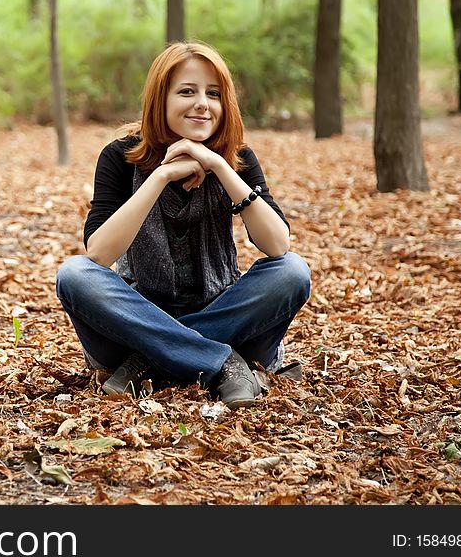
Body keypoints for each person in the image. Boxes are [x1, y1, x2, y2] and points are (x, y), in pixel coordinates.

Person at [55, 41, 311, 408]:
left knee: (292, 271)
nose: (203, 104)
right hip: (136, 320)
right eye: (187, 92)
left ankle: (149, 363)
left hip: (225, 311)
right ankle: (224, 362)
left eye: (214, 94)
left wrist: (221, 168)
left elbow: (277, 246)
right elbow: (99, 253)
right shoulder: (120, 156)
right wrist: (159, 178)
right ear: (161, 98)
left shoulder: (237, 159)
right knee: (75, 274)